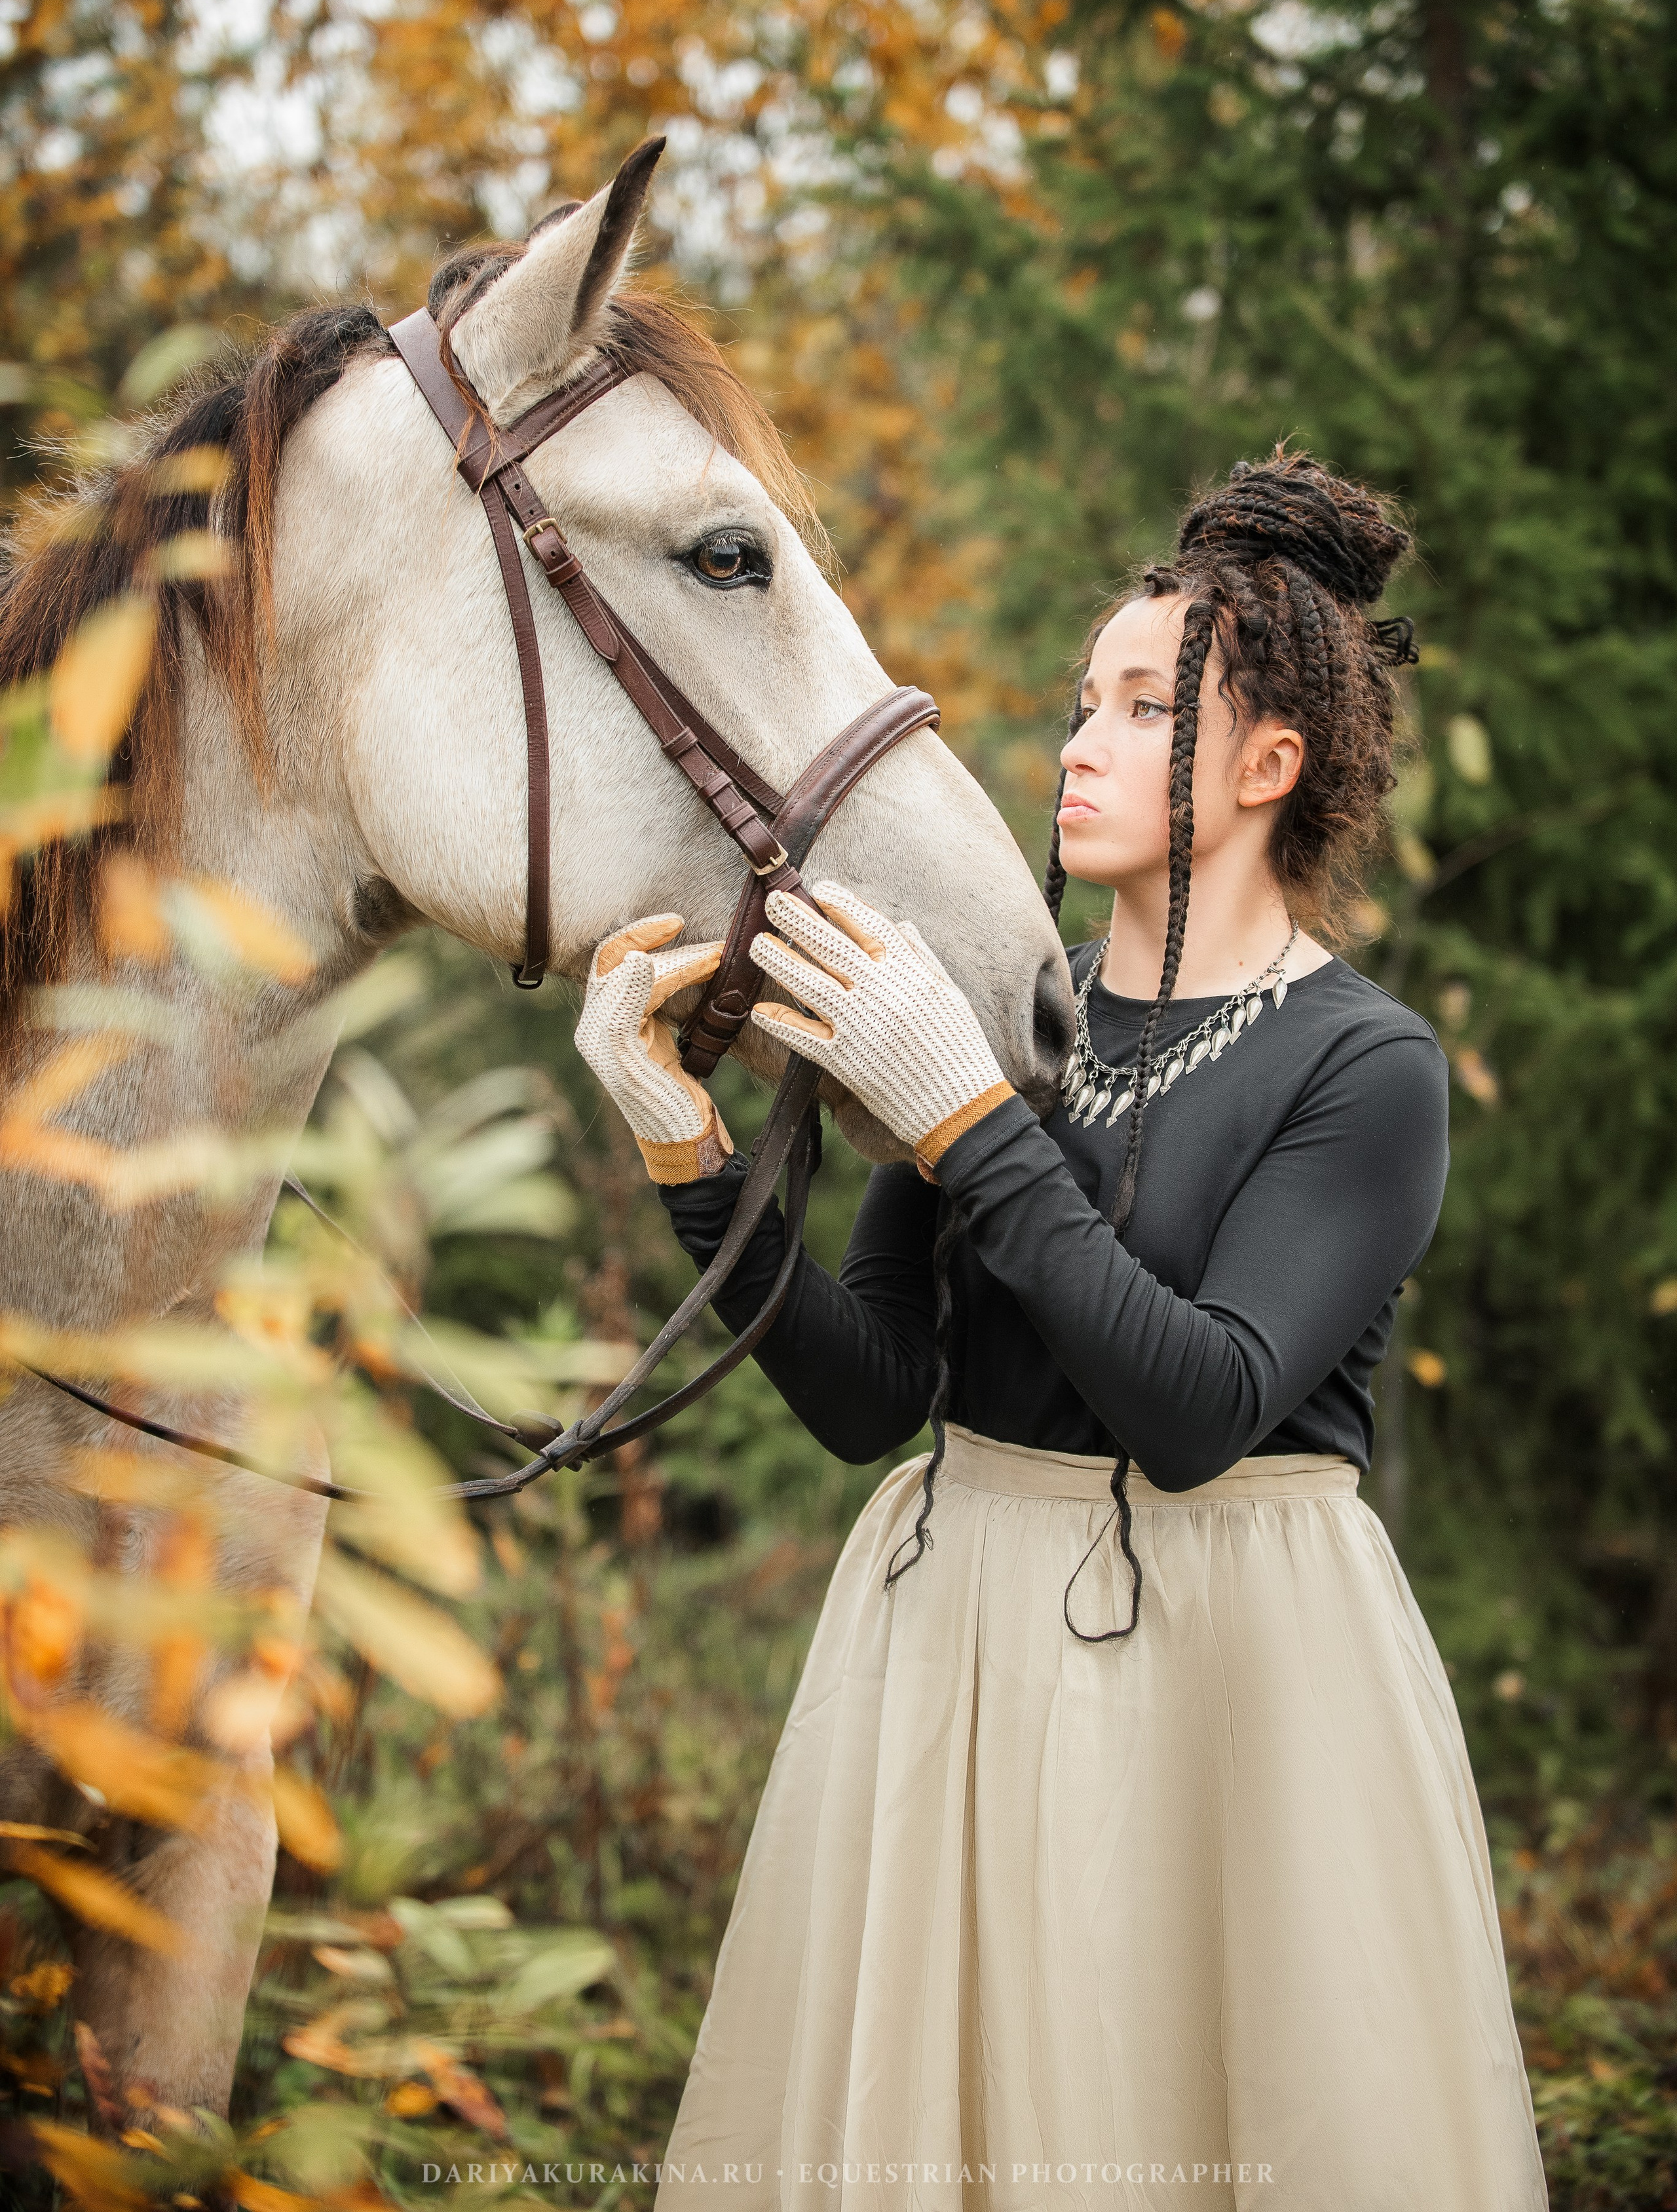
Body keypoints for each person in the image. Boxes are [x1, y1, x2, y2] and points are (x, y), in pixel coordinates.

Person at [575, 449, 1549, 2212]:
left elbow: (1202, 1406)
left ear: (1271, 763)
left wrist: (964, 1115)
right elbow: (875, 1397)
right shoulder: (1000, 1020)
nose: (1076, 741)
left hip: (1239, 1679)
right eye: (1081, 699)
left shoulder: (1366, 1068)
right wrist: (687, 1148)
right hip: (953, 1651)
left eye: (1144, 703)